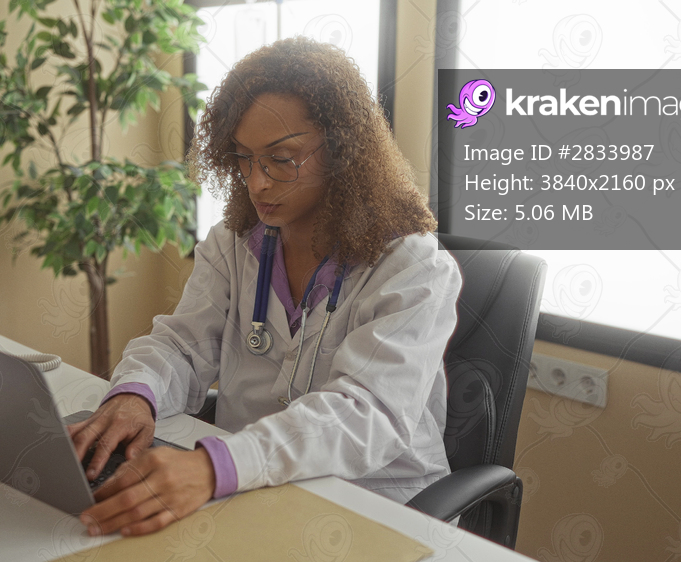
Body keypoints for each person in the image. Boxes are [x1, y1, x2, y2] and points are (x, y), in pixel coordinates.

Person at [69, 36, 462, 537]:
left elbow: (366, 414)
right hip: (252, 491)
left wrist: (218, 465)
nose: (256, 182)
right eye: (243, 157)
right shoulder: (234, 243)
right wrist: (136, 394)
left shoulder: (412, 265)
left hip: (377, 505)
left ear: (341, 151)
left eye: (281, 158)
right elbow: (182, 345)